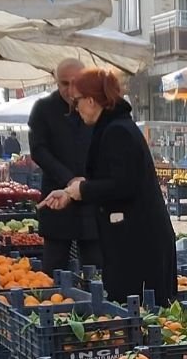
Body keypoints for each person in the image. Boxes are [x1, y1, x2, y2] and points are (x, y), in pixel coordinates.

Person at [39, 68, 177, 303]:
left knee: (140, 314)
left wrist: (82, 191)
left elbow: (123, 185)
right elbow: (113, 177)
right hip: (132, 241)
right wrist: (72, 192)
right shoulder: (113, 127)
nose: (75, 109)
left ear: (91, 101)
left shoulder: (117, 132)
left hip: (138, 245)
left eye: (77, 102)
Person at [28, 58, 102, 273]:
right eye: (64, 83)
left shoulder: (95, 106)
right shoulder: (43, 109)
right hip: (57, 199)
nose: (70, 90)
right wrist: (69, 180)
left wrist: (87, 183)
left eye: (75, 82)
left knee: (95, 270)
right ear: (55, 81)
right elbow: (39, 151)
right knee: (54, 267)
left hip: (92, 198)